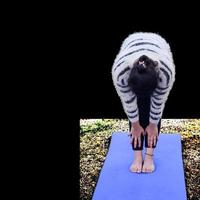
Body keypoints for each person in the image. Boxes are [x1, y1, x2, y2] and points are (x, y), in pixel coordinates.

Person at [112, 32, 175, 173]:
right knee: (136, 113)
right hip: (132, 44)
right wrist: (135, 125)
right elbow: (129, 103)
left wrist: (153, 125)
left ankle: (149, 156)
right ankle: (137, 156)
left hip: (158, 45)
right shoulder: (120, 72)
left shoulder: (165, 73)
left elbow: (158, 104)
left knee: (153, 114)